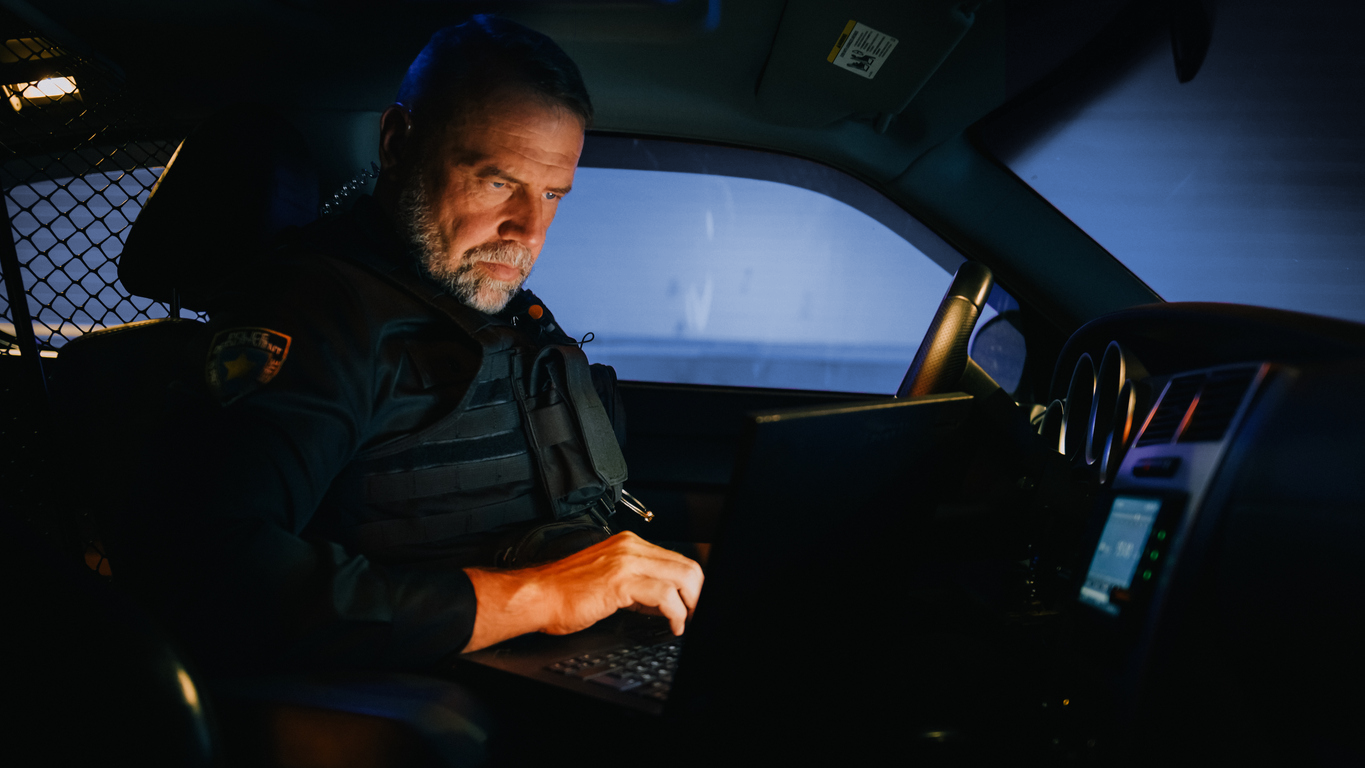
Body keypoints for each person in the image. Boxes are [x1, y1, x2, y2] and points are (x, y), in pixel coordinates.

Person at [117, 15, 702, 673]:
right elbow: (204, 567)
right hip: (418, 690)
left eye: (551, 194)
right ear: (398, 143)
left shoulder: (494, 305)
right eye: (497, 181)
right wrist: (536, 597)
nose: (529, 229)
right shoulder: (315, 314)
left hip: (571, 656)